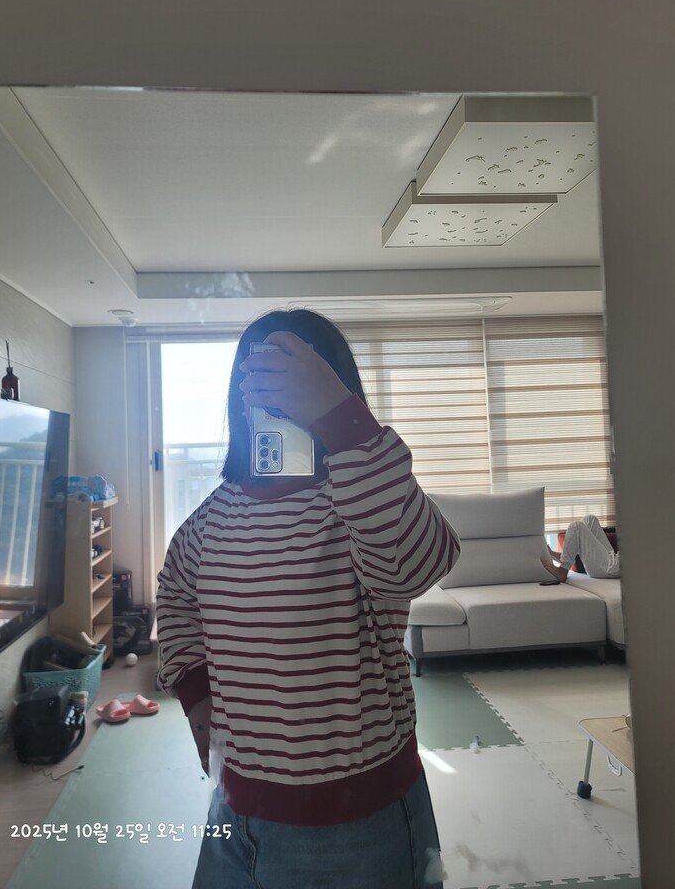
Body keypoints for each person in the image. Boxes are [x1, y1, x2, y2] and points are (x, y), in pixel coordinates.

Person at [156, 308, 461, 889]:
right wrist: (196, 695)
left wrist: (342, 420)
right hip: (234, 809)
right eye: (258, 378)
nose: (274, 394)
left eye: (294, 378)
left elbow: (418, 566)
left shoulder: (356, 506)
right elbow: (175, 598)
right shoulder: (212, 520)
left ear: (336, 384)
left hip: (358, 821)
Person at [541, 513, 619, 582]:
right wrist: (552, 554)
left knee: (576, 526)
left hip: (613, 567)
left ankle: (562, 571)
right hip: (614, 559)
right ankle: (559, 561)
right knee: (590, 519)